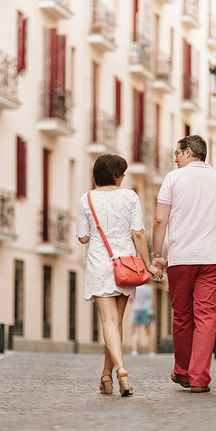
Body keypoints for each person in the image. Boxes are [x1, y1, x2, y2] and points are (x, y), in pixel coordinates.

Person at [152, 135, 216, 393]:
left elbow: (160, 221)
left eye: (177, 155)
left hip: (181, 260)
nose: (175, 160)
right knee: (206, 317)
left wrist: (157, 254)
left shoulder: (172, 179)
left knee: (182, 316)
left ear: (188, 152)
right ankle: (200, 378)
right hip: (213, 261)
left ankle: (182, 371)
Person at [76, 154, 161, 396]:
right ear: (115, 175)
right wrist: (149, 264)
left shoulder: (86, 199)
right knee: (117, 323)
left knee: (108, 322)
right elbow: (138, 234)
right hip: (126, 266)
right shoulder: (130, 196)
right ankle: (106, 376)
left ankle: (120, 371)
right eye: (122, 172)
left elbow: (82, 237)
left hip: (99, 266)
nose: (124, 177)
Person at [130, 283, 155, 356]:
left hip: (136, 310)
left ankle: (134, 351)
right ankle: (151, 351)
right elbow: (152, 302)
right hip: (146, 311)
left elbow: (130, 299)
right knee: (148, 332)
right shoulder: (150, 288)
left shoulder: (135, 287)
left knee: (135, 332)